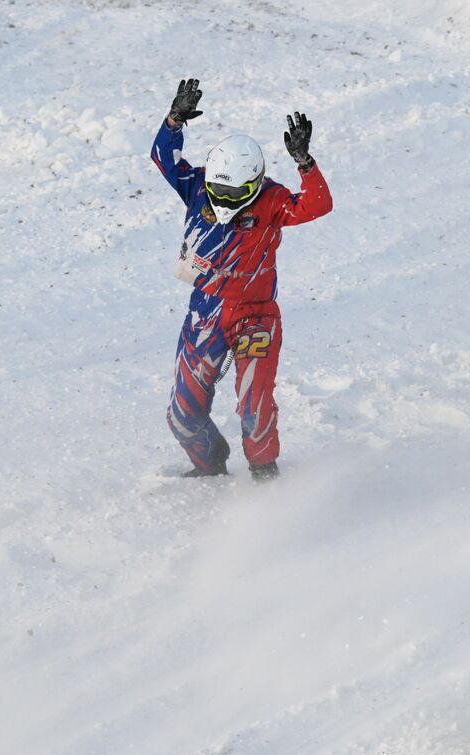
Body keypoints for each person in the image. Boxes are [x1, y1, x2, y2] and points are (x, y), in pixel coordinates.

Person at [150, 78, 333, 480]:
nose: (227, 202)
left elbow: (319, 204)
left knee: (254, 405)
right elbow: (163, 156)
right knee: (182, 415)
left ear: (255, 183)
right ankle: (211, 462)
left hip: (256, 317)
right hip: (206, 313)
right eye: (221, 193)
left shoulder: (272, 200)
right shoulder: (197, 186)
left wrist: (305, 163)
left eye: (237, 195)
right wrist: (174, 118)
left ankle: (265, 472)